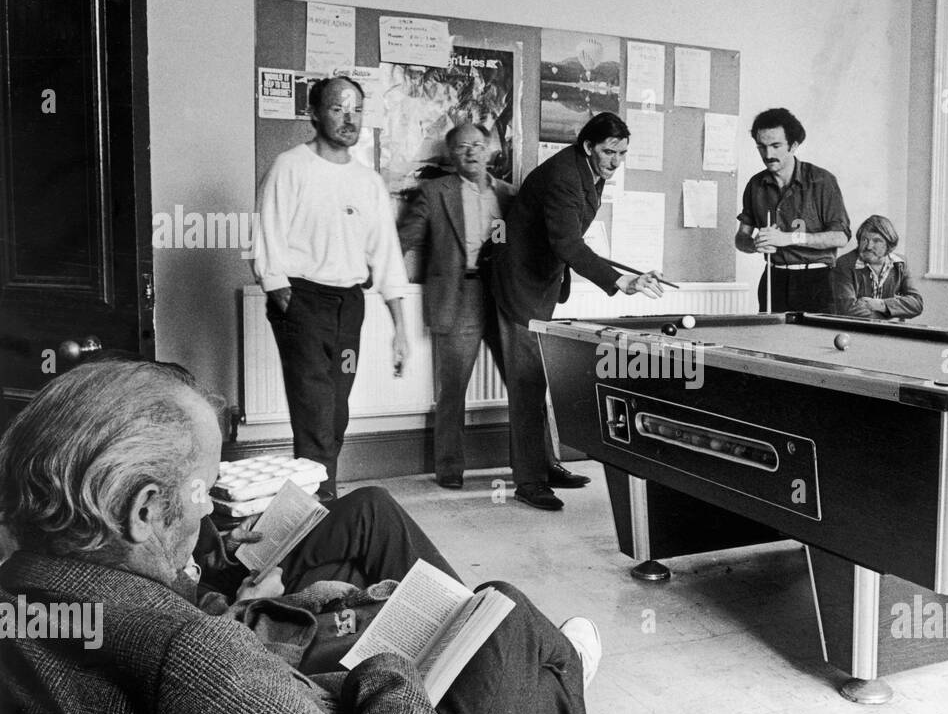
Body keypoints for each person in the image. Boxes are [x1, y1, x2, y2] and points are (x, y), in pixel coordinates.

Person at [0, 360, 601, 714]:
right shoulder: (191, 656)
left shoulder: (22, 600)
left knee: (534, 680)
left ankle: (556, 707)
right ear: (146, 510)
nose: (212, 509)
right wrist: (393, 668)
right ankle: (562, 683)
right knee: (511, 615)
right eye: (206, 490)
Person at [491, 112, 664, 511]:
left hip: (542, 282)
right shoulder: (565, 176)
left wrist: (614, 272)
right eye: (609, 151)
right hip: (521, 285)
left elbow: (568, 240)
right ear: (589, 146)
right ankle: (529, 481)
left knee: (539, 378)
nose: (616, 160)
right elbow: (567, 243)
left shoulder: (587, 170)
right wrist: (620, 281)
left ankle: (546, 465)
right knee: (526, 382)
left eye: (622, 152)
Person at [251, 75, 409, 499]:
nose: (349, 118)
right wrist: (279, 292)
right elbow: (267, 235)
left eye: (356, 109)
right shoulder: (290, 166)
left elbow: (387, 256)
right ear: (314, 113)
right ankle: (320, 505)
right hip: (301, 301)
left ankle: (313, 496)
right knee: (314, 410)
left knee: (336, 411)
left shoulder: (368, 181)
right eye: (338, 108)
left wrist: (400, 329)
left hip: (348, 307)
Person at [399, 122, 516, 489]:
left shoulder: (509, 195)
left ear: (489, 150)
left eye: (478, 145)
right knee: (452, 392)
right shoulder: (434, 192)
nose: (472, 152)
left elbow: (522, 245)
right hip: (457, 296)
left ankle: (538, 466)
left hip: (502, 296)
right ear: (452, 154)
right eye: (463, 146)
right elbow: (406, 238)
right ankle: (450, 471)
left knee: (525, 383)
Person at [735, 108, 851, 313]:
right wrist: (754, 244)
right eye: (761, 147)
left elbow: (840, 237)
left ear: (794, 145)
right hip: (774, 280)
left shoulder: (822, 181)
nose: (768, 154)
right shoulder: (755, 185)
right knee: (770, 343)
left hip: (816, 281)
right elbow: (741, 238)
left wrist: (789, 238)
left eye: (776, 146)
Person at [831, 215, 924, 320]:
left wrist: (880, 304)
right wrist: (894, 310)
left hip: (887, 332)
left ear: (889, 244)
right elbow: (847, 310)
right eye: (864, 239)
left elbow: (917, 304)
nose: (869, 246)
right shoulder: (844, 264)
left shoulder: (900, 264)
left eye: (876, 241)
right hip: (854, 330)